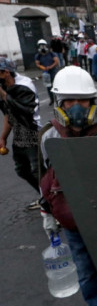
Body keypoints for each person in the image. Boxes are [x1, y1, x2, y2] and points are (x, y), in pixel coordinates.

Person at [39, 66, 97, 306]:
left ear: (93, 102)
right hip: (73, 218)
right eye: (69, 101)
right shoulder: (50, 135)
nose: (76, 107)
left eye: (82, 101)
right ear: (59, 103)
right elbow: (46, 177)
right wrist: (47, 213)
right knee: (85, 269)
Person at [0, 57, 42, 209]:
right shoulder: (4, 85)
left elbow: (24, 112)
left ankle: (53, 204)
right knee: (22, 170)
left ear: (5, 73)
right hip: (19, 131)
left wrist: (3, 94)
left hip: (31, 130)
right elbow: (8, 114)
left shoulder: (25, 85)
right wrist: (3, 137)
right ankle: (45, 198)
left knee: (38, 170)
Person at [34, 39, 60, 106]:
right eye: (40, 46)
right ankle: (52, 99)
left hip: (53, 71)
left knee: (56, 85)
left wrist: (51, 67)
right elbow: (37, 64)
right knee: (48, 87)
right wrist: (43, 67)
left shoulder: (51, 54)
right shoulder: (38, 55)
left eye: (43, 45)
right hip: (46, 73)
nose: (42, 47)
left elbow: (56, 61)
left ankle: (58, 99)